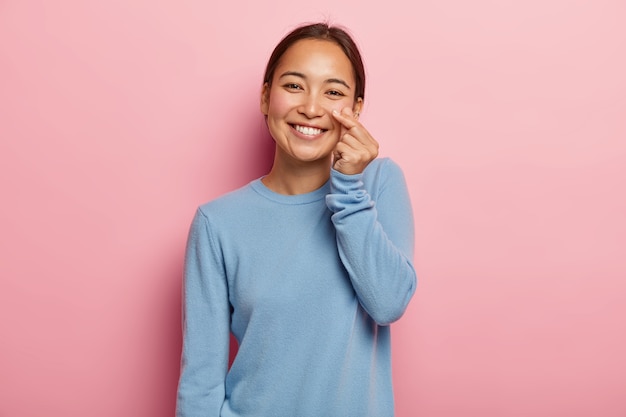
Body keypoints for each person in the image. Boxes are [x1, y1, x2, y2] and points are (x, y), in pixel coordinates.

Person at [176, 22, 417, 417]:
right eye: (293, 86)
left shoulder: (377, 183)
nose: (311, 107)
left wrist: (350, 187)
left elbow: (388, 303)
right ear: (266, 96)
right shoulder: (216, 224)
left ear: (356, 109)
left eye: (334, 92)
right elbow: (200, 384)